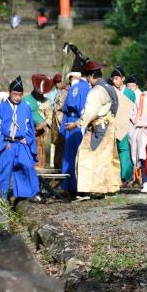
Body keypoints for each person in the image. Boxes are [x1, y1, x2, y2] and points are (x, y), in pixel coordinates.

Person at [0, 77, 40, 203]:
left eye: (20, 95)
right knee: (3, 166)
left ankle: (27, 194)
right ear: (9, 92)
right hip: (6, 144)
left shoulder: (25, 108)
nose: (17, 97)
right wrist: (3, 143)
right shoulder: (0, 109)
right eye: (15, 94)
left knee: (26, 165)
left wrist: (28, 139)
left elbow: (30, 127)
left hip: (21, 143)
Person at [65, 61, 121, 199]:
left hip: (99, 127)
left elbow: (89, 112)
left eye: (87, 77)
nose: (87, 80)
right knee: (106, 158)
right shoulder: (110, 87)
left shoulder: (96, 91)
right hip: (109, 126)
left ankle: (89, 189)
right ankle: (105, 188)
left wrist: (76, 124)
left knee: (86, 156)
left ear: (90, 76)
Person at [59, 66, 91, 197]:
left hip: (72, 122)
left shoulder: (75, 87)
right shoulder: (86, 88)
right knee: (77, 156)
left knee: (71, 156)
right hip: (77, 122)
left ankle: (70, 186)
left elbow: (67, 108)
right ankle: (77, 186)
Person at [109, 65, 135, 186]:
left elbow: (134, 110)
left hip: (126, 125)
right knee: (114, 150)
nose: (115, 81)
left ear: (123, 78)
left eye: (117, 78)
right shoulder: (111, 91)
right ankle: (115, 177)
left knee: (124, 150)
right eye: (113, 79)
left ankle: (126, 176)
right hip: (113, 124)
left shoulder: (130, 93)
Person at [22, 74, 53, 168]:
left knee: (40, 153)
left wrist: (44, 124)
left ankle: (40, 175)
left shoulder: (46, 102)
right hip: (28, 132)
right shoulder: (25, 100)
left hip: (41, 134)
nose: (41, 94)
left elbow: (50, 116)